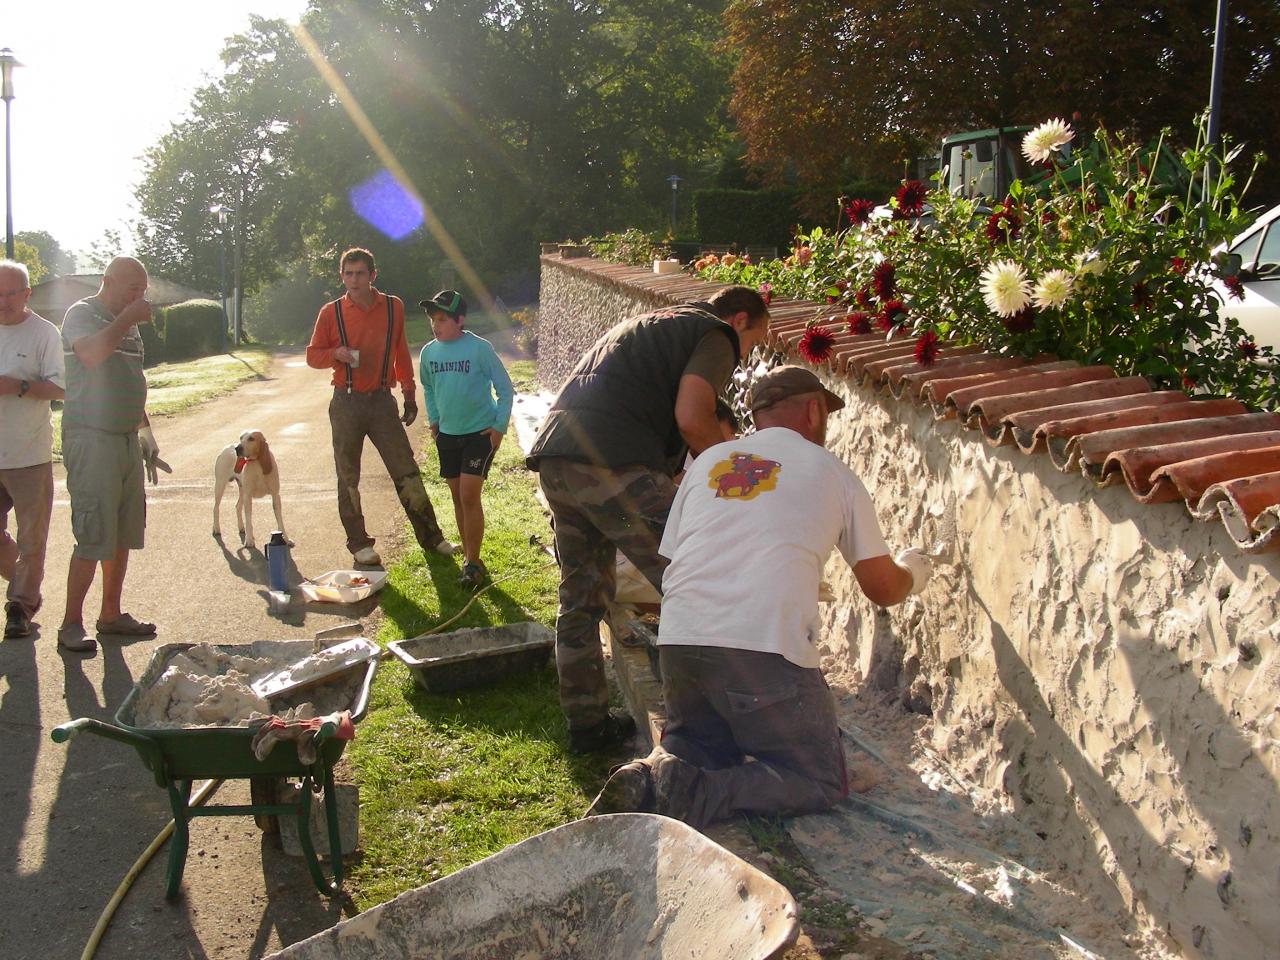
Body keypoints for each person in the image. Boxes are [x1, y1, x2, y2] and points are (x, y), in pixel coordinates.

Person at [586, 365, 934, 827]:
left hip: (680, 644)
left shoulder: (709, 462)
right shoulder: (834, 472)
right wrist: (916, 570)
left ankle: (653, 772)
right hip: (762, 652)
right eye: (825, 414)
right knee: (821, 778)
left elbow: (673, 560)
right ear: (813, 410)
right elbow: (883, 588)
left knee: (701, 744)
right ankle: (693, 795)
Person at [526, 286, 771, 753]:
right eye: (754, 343)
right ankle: (730, 725)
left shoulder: (658, 323)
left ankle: (587, 727)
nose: (745, 357)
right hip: (609, 463)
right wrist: (735, 488)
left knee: (582, 596)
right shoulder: (716, 334)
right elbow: (692, 416)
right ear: (739, 320)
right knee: (698, 581)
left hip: (558, 458)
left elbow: (651, 416)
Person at [306, 248, 455, 567]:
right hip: (345, 402)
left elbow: (401, 351)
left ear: (372, 275)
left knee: (406, 469)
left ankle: (432, 538)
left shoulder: (392, 306)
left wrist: (410, 393)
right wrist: (336, 353)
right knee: (348, 476)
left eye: (360, 273)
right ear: (341, 276)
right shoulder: (330, 312)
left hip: (381, 401)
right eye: (348, 274)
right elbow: (312, 356)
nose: (354, 280)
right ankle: (359, 543)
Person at [57, 257, 169, 653]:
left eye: (142, 291)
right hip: (91, 437)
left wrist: (146, 433)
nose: (137, 297)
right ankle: (71, 623)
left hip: (124, 438)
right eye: (130, 289)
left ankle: (111, 613)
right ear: (108, 281)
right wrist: (125, 319)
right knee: (93, 532)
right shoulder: (83, 313)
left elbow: (129, 379)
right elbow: (89, 355)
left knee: (123, 531)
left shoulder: (130, 323)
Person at [418, 289, 514, 589]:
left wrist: (499, 426)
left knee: (470, 496)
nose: (436, 325)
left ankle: (472, 561)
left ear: (460, 320)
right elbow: (430, 389)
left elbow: (505, 388)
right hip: (448, 435)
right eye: (433, 319)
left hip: (479, 434)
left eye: (443, 319)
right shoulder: (428, 353)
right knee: (458, 497)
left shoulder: (479, 349)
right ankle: (471, 559)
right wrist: (434, 421)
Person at [0, 260, 65, 639]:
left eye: (11, 293)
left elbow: (61, 389)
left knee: (31, 539)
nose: (3, 301)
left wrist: (18, 386)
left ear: (27, 295)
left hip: (29, 455)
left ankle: (19, 606)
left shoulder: (43, 334)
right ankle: (28, 584)